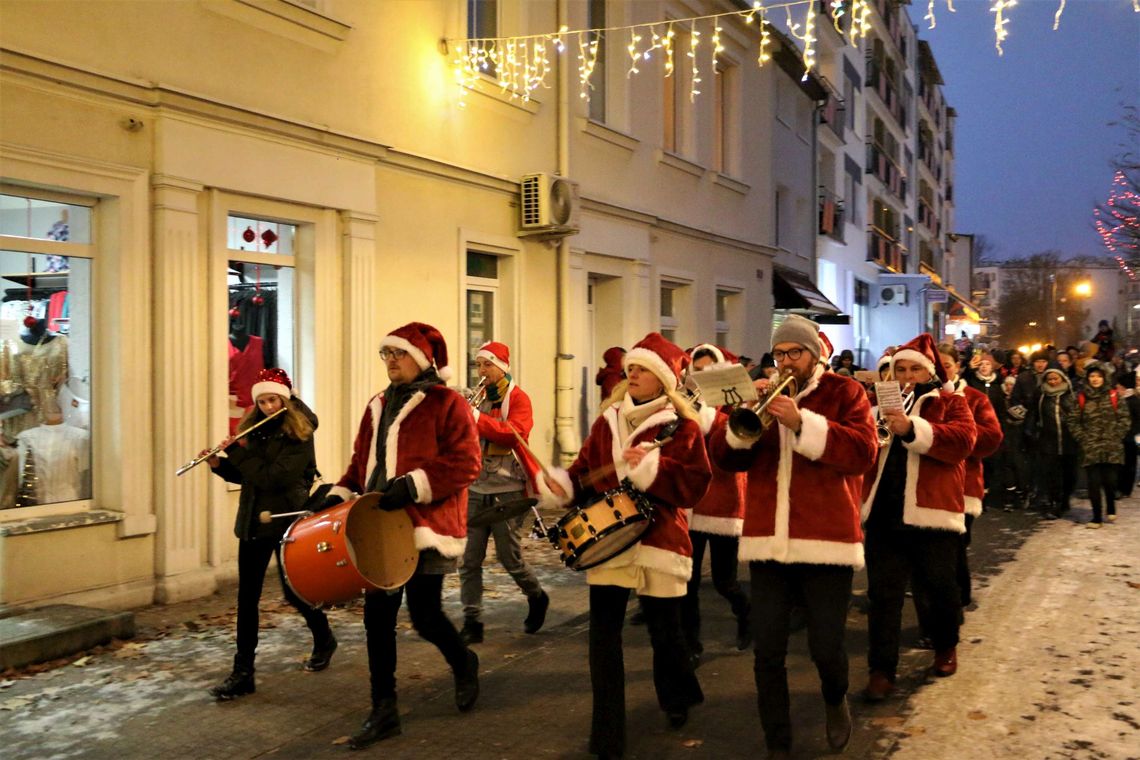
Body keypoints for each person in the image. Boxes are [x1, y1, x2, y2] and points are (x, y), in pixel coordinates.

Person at [709, 315, 877, 758]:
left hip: (826, 539)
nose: (785, 362)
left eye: (794, 353)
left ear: (814, 354)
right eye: (779, 354)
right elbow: (727, 460)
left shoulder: (846, 393)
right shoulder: (761, 394)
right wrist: (740, 423)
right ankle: (777, 742)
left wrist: (803, 423)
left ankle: (834, 697)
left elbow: (862, 452)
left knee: (825, 647)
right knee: (767, 651)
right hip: (767, 541)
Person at [538, 332, 710, 759]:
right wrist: (563, 485)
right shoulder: (608, 419)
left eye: (642, 369)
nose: (631, 374)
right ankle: (608, 733)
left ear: (663, 378)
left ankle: (677, 694)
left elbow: (694, 485)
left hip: (660, 540)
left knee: (665, 634)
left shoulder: (681, 426)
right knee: (603, 639)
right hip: (610, 540)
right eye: (630, 368)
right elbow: (583, 470)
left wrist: (653, 467)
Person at [323, 322, 482, 749]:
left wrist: (413, 485)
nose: (391, 361)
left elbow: (467, 463)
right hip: (378, 525)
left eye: (400, 354)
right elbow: (362, 464)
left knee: (426, 615)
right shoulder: (377, 404)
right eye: (386, 354)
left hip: (425, 526)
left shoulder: (447, 404)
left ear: (423, 360)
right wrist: (338, 491)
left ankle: (464, 662)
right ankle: (384, 708)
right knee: (378, 617)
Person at [203, 368, 335, 701]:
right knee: (247, 599)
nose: (267, 407)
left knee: (294, 591)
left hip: (285, 519)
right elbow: (249, 476)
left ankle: (324, 637)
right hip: (253, 519)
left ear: (285, 399)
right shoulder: (254, 429)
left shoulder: (300, 434)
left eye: (273, 400)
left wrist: (236, 453)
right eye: (261, 401)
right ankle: (243, 672)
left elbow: (273, 477)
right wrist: (221, 466)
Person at [861, 333, 976, 700]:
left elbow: (963, 441)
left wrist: (912, 429)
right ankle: (881, 670)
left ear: (928, 372)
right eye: (900, 369)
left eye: (914, 368)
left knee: (940, 588)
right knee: (884, 596)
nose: (907, 375)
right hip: (884, 513)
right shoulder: (877, 403)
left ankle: (945, 646)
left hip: (932, 513)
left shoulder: (949, 401)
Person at [458, 341, 549, 644]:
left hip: (508, 490)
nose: (481, 372)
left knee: (510, 558)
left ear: (502, 367)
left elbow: (513, 434)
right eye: (478, 365)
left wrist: (476, 418)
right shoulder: (477, 399)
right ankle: (472, 619)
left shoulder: (518, 398)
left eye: (486, 365)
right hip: (475, 487)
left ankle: (536, 596)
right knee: (469, 560)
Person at [679, 344, 750, 663]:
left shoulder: (732, 409)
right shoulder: (684, 404)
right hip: (691, 504)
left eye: (708, 371)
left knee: (725, 581)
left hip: (723, 502)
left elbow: (735, 444)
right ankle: (691, 645)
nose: (700, 378)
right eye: (696, 372)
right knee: (688, 582)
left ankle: (747, 615)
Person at [937, 345, 1002, 612]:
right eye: (936, 366)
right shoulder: (924, 396)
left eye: (947, 365)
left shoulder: (974, 398)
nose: (942, 371)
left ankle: (957, 599)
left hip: (964, 485)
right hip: (931, 486)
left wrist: (958, 435)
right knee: (937, 550)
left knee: (955, 546)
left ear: (958, 367)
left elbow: (992, 437)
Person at [1066, 362, 1130, 529]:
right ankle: (1096, 517)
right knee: (1093, 482)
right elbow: (1073, 421)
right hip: (1090, 446)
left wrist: (1117, 435)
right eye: (1092, 376)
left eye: (1098, 376)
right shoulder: (1080, 398)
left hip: (1112, 445)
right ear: (1087, 379)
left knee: (1110, 480)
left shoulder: (1114, 396)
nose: (1095, 379)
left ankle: (1110, 505)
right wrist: (1082, 438)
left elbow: (1124, 419)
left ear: (1104, 377)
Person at [1028, 368, 1078, 517]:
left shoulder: (1071, 395)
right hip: (1048, 441)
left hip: (1069, 441)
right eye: (1049, 379)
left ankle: (1065, 498)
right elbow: (1034, 414)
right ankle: (1054, 503)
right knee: (1052, 474)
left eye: (1056, 379)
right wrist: (1031, 430)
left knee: (1070, 474)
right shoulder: (1041, 396)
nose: (1053, 382)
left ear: (1062, 379)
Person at [1116, 371, 1140, 498]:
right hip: (1124, 437)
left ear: (1124, 388)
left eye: (1118, 387)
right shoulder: (1126, 400)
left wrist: (1131, 432)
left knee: (1128, 464)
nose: (1116, 389)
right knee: (1123, 463)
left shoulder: (1132, 401)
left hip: (1129, 438)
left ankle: (1125, 489)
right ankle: (1121, 488)